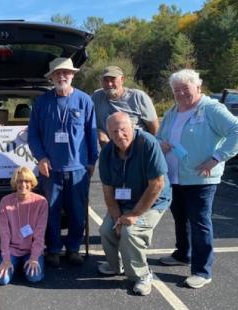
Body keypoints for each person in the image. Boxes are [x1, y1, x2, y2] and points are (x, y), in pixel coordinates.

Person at [156, 69, 238, 289]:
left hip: (201, 178)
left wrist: (217, 158)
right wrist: (160, 143)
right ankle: (183, 253)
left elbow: (236, 130)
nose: (181, 94)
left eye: (186, 88)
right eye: (177, 90)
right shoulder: (173, 111)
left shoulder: (211, 109)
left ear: (198, 87)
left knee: (200, 222)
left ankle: (202, 271)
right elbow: (159, 136)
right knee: (180, 218)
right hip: (174, 176)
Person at [28, 57, 98, 267]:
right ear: (51, 77)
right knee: (51, 211)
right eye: (57, 73)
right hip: (50, 169)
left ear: (73, 75)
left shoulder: (84, 100)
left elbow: (91, 133)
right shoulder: (41, 102)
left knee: (77, 211)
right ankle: (54, 249)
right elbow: (33, 136)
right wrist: (40, 158)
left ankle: (74, 248)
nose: (62, 76)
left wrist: (92, 160)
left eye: (66, 72)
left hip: (78, 167)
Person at [98, 112, 171, 296]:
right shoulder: (107, 152)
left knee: (131, 232)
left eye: (123, 129)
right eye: (114, 132)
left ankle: (142, 275)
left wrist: (134, 215)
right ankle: (116, 266)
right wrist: (117, 218)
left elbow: (157, 185)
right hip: (124, 202)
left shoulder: (147, 143)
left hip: (151, 200)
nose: (119, 135)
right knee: (107, 229)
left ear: (133, 128)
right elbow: (108, 190)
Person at [0, 167, 48, 285]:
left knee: (34, 278)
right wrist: (6, 259)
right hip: (11, 250)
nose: (23, 184)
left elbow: (40, 233)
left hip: (30, 250)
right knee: (2, 280)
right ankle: (2, 258)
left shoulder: (41, 202)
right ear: (15, 183)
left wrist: (33, 258)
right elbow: (4, 233)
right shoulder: (5, 201)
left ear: (32, 183)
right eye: (19, 181)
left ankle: (23, 265)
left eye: (27, 181)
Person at [92, 66, 159, 148]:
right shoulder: (96, 97)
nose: (109, 84)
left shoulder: (137, 97)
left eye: (113, 79)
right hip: (111, 152)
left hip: (138, 149)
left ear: (122, 79)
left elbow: (155, 129)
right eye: (106, 80)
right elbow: (92, 123)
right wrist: (100, 133)